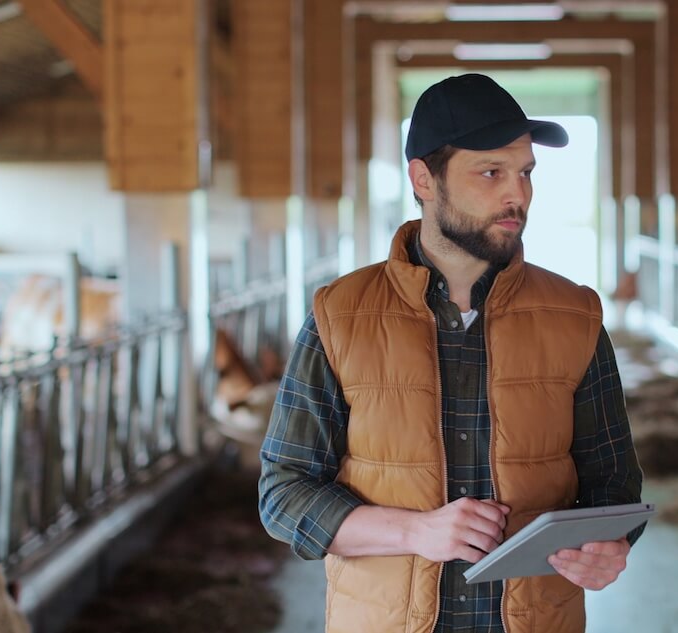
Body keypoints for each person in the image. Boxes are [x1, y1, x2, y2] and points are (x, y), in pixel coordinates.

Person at [259, 73, 644, 633]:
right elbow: (283, 496)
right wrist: (415, 532)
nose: (518, 194)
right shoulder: (339, 316)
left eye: (526, 173)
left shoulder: (574, 316)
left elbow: (614, 484)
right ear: (424, 180)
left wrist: (608, 543)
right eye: (491, 172)